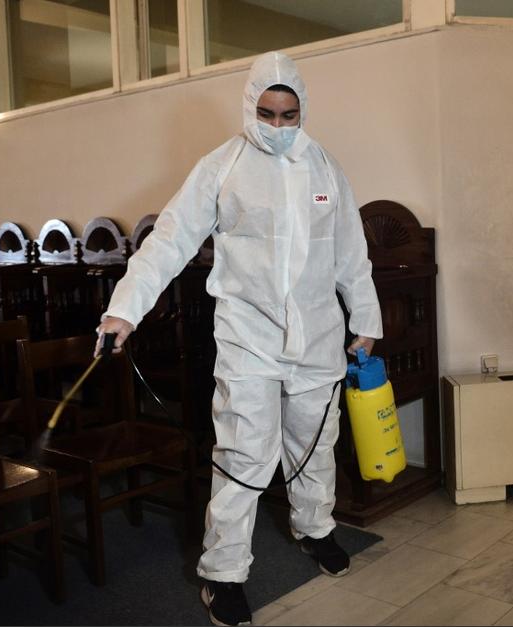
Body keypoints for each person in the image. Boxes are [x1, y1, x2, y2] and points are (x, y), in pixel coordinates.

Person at [95, 51, 382, 627]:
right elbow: (169, 242)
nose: (278, 125)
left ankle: (316, 529)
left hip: (319, 338)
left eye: (289, 114)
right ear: (250, 106)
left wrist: (366, 321)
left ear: (303, 110)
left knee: (313, 447)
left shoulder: (326, 167)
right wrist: (122, 311)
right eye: (268, 113)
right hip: (248, 340)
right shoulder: (221, 166)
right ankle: (222, 572)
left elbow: (350, 252)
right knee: (243, 457)